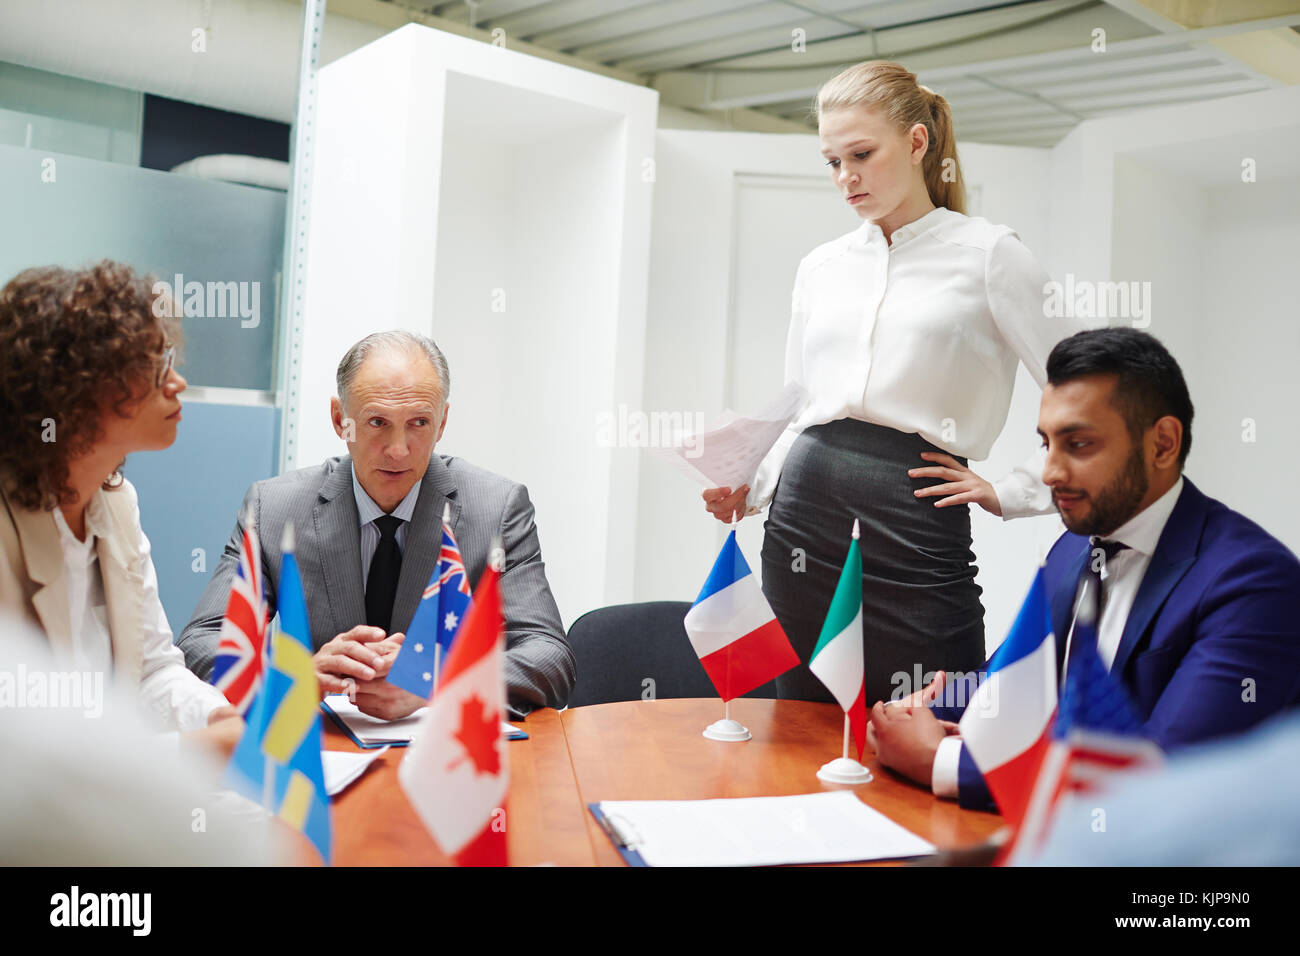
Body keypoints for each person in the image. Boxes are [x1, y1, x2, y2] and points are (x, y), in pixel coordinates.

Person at [701, 60, 1086, 706]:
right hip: (802, 525)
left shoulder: (991, 255)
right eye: (831, 161)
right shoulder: (820, 268)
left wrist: (1010, 490)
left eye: (861, 154)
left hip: (917, 528)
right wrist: (751, 485)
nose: (845, 177)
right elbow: (799, 407)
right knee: (798, 721)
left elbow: (1090, 395)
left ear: (915, 142)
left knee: (932, 718)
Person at [869, 328, 1300, 809]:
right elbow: (1014, 673)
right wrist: (926, 708)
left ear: (1162, 444)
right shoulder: (1074, 545)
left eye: (1078, 444)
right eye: (1046, 444)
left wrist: (939, 761)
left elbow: (1161, 782)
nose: (1051, 471)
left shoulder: (1257, 585)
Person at [178, 330, 575, 719]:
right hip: (319, 758)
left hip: (443, 759)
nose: (399, 450)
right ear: (340, 419)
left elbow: (549, 656)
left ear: (442, 422)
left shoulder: (497, 509)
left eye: (419, 423)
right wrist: (294, 677)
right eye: (377, 423)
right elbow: (199, 644)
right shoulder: (274, 509)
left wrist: (435, 681)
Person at [0, 261, 241, 747]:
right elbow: (24, 760)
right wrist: (195, 752)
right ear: (72, 389)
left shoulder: (117, 504)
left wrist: (217, 715)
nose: (176, 383)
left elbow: (152, 669)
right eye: (154, 367)